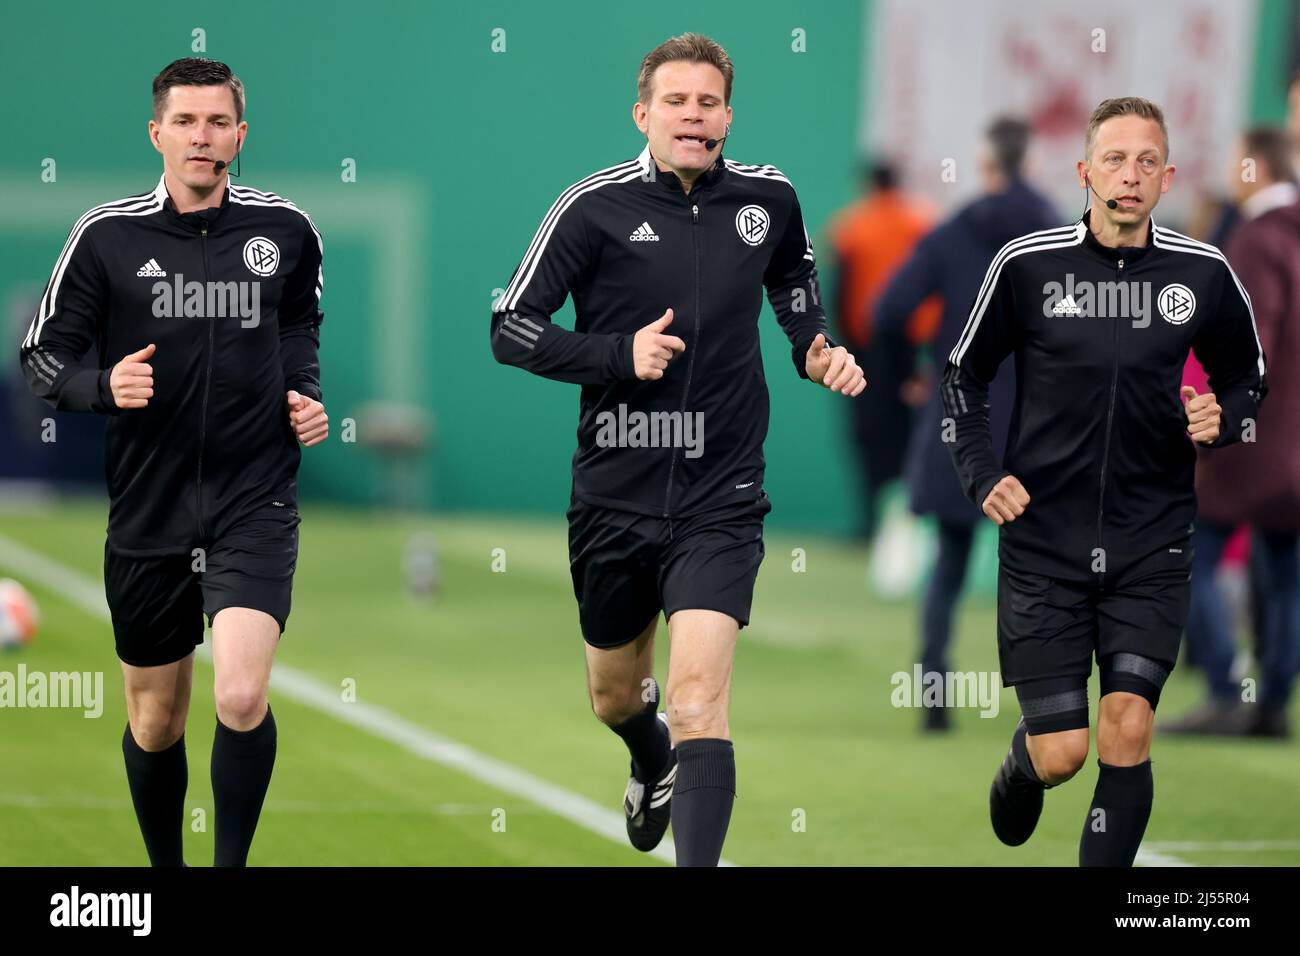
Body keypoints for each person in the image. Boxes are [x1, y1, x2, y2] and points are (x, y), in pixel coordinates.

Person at [490, 33, 863, 866]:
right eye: (675, 102)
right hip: (615, 492)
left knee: (699, 702)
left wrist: (815, 348)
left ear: (728, 114)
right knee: (615, 694)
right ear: (644, 114)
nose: (693, 117)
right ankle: (646, 754)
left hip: (721, 494)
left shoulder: (771, 199)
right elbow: (509, 329)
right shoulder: (592, 207)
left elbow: (792, 287)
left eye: (707, 103)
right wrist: (614, 356)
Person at [19, 58, 329, 866]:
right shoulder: (107, 236)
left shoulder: (286, 232)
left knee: (238, 692)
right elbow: (41, 359)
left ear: (241, 134)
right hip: (149, 508)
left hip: (253, 499)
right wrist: (100, 385)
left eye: (218, 121)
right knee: (156, 721)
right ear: (157, 134)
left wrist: (303, 394)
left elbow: (300, 328)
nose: (203, 136)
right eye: (187, 122)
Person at [942, 97, 1266, 865]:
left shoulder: (1203, 272)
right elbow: (963, 378)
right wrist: (983, 474)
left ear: (1168, 176)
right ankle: (1025, 763)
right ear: (1086, 172)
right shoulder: (1027, 266)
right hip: (1044, 544)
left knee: (1127, 728)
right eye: (1115, 160)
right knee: (1064, 752)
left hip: (1152, 544)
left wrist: (1223, 417)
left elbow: (1250, 382)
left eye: (1147, 161)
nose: (1131, 174)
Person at [875, 117, 1059, 732]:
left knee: (949, 563)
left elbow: (889, 309)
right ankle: (1050, 704)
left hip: (962, 417)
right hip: (1040, 424)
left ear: (987, 168)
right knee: (1044, 570)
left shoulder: (954, 231)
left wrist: (916, 372)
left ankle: (933, 691)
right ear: (1028, 164)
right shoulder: (1059, 234)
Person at [1163, 126, 1300, 739]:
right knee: (1286, 572)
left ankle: (1223, 689)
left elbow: (1253, 345)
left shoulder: (1254, 240)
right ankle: (1271, 702)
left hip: (1254, 437)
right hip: (1294, 445)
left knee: (1187, 554)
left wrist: (1216, 423)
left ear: (1255, 166)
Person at [827, 162, 939, 540]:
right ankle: (914, 525)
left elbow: (839, 293)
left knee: (869, 436)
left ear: (868, 184)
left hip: (866, 348)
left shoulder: (853, 226)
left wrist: (839, 348)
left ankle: (872, 525)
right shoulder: (922, 221)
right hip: (919, 346)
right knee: (916, 434)